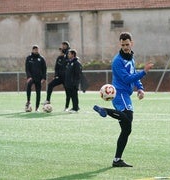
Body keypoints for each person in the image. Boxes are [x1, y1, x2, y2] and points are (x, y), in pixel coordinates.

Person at [93, 32, 154, 167]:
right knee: (128, 120)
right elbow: (126, 79)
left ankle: (117, 160)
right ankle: (104, 110)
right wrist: (144, 72)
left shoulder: (131, 57)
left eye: (127, 44)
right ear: (119, 44)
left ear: (132, 43)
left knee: (126, 129)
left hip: (126, 94)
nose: (125, 47)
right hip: (119, 94)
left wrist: (140, 88)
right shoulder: (117, 61)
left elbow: (133, 74)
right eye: (123, 45)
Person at [44, 41, 70, 105]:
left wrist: (65, 56)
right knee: (50, 85)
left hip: (66, 78)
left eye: (64, 46)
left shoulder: (68, 56)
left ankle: (66, 107)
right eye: (61, 48)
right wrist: (55, 75)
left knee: (68, 91)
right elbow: (56, 68)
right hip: (60, 77)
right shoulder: (59, 58)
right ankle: (48, 100)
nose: (61, 50)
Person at [25, 45, 47, 112]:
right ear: (32, 50)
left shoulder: (41, 58)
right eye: (34, 49)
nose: (36, 51)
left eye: (37, 49)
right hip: (31, 78)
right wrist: (29, 77)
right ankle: (28, 102)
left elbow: (44, 69)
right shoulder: (29, 58)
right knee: (28, 87)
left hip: (39, 78)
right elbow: (27, 68)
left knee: (38, 92)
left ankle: (37, 108)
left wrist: (44, 78)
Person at [64, 49, 82, 113]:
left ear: (73, 54)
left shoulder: (76, 63)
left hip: (74, 83)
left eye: (69, 54)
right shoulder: (69, 62)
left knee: (74, 95)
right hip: (69, 83)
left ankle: (75, 108)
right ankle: (75, 107)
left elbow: (78, 74)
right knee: (71, 95)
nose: (68, 55)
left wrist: (75, 82)